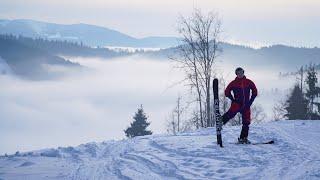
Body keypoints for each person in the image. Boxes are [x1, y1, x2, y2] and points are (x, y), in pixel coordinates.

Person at [221, 67, 257, 144]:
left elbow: (255, 91)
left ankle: (243, 138)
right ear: (236, 74)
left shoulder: (248, 82)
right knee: (231, 114)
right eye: (238, 73)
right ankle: (220, 122)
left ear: (243, 73)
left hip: (246, 105)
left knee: (246, 121)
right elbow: (227, 92)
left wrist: (250, 102)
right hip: (237, 103)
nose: (240, 74)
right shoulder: (233, 83)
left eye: (241, 72)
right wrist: (233, 99)